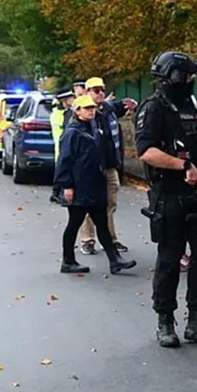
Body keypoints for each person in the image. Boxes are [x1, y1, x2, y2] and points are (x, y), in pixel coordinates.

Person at [135, 51, 197, 348]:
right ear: (174, 76)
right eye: (188, 76)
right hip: (170, 196)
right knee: (170, 258)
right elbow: (146, 151)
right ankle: (165, 320)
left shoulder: (189, 105)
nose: (192, 80)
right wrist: (183, 166)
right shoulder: (154, 108)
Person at [55, 95, 136, 275]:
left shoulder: (93, 128)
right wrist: (67, 185)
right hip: (80, 186)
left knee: (102, 224)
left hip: (95, 184)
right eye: (87, 108)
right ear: (77, 111)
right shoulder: (72, 132)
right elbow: (64, 160)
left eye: (92, 108)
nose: (91, 111)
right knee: (74, 223)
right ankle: (68, 261)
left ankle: (115, 260)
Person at [78, 77, 136, 255]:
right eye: (96, 90)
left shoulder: (108, 108)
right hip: (90, 168)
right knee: (89, 205)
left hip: (110, 166)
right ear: (87, 92)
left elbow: (121, 106)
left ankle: (110, 239)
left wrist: (130, 103)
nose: (100, 93)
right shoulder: (83, 113)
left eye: (102, 89)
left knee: (110, 203)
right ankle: (87, 240)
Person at [50, 87, 75, 205]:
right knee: (62, 169)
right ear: (64, 100)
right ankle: (57, 194)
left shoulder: (57, 112)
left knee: (60, 168)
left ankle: (56, 193)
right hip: (63, 144)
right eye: (70, 98)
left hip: (60, 144)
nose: (73, 99)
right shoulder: (63, 114)